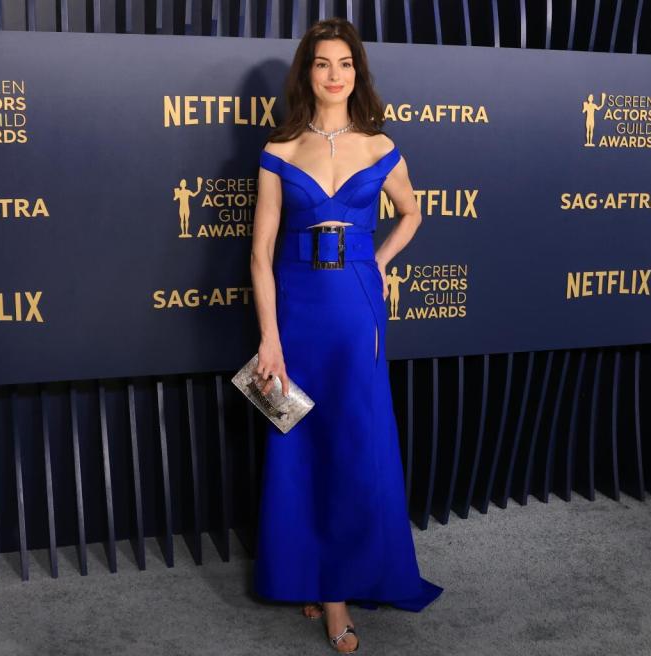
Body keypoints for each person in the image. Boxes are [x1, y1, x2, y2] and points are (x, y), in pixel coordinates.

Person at [249, 17, 443, 654]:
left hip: (358, 310)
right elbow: (260, 254)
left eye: (346, 64)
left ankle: (337, 582)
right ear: (308, 72)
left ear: (358, 74)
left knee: (354, 441)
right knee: (301, 440)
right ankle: (317, 581)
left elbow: (412, 213)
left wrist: (379, 264)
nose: (335, 75)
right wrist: (269, 339)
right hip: (299, 309)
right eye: (323, 63)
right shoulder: (279, 150)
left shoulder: (381, 145)